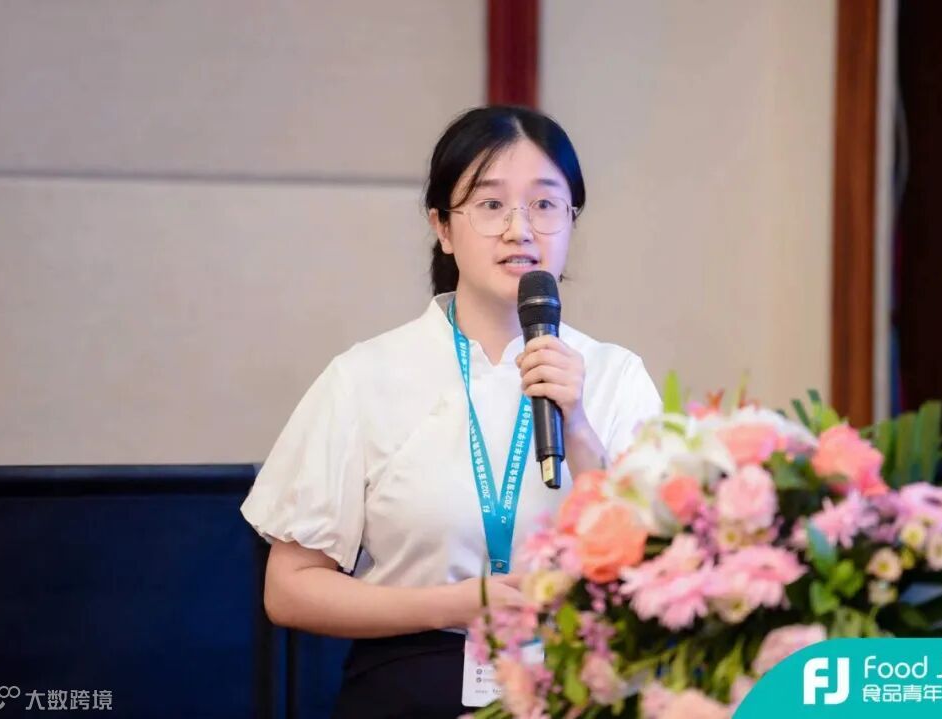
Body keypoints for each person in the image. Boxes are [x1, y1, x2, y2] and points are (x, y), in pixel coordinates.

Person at [240, 105, 662, 718]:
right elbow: (290, 590)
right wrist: (459, 603)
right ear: (442, 226)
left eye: (545, 204)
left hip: (579, 684)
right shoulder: (365, 377)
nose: (520, 229)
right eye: (491, 204)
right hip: (412, 685)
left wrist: (578, 428)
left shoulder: (616, 376)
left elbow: (659, 574)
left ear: (571, 220)